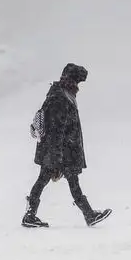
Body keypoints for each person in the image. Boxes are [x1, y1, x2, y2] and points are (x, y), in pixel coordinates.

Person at [22, 63, 111, 228]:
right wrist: (56, 158)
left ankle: (88, 215)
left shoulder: (64, 94)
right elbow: (56, 131)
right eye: (77, 82)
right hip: (59, 151)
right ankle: (30, 215)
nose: (78, 87)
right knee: (45, 180)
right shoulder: (60, 98)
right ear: (71, 81)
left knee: (66, 181)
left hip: (62, 151)